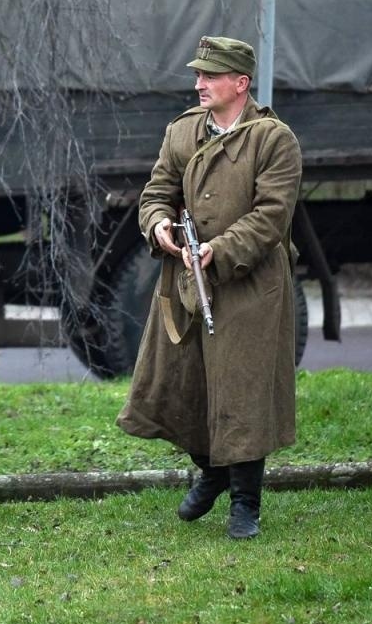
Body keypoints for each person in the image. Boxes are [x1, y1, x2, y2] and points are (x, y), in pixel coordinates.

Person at [117, 37, 301, 539]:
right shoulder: (182, 132)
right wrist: (157, 226)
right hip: (185, 282)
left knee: (243, 392)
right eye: (198, 75)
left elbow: (271, 216)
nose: (198, 84)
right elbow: (156, 192)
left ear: (239, 83)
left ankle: (246, 504)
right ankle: (212, 470)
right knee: (180, 383)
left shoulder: (274, 139)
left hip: (250, 285)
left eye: (209, 76)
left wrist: (218, 249)